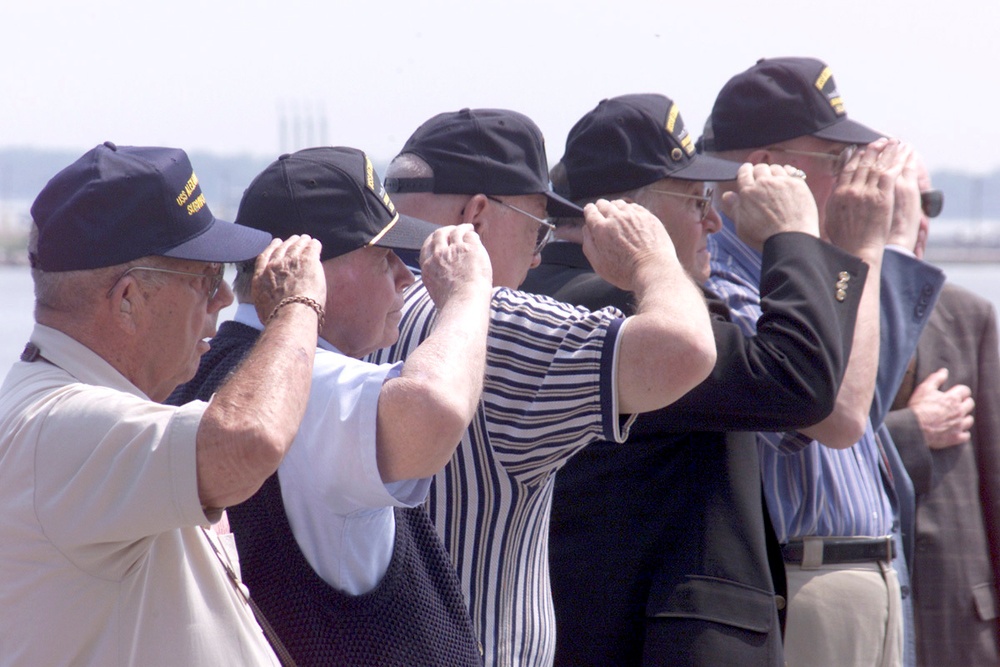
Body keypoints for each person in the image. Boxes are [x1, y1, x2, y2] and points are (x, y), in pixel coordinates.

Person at [519, 92, 872, 666]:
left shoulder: (536, 295)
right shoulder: (622, 308)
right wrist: (795, 236)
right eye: (697, 199)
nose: (714, 219)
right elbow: (799, 381)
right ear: (630, 215)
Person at [374, 107, 718, 666]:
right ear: (477, 215)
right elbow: (686, 348)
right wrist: (652, 261)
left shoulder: (338, 312)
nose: (538, 255)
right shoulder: (498, 323)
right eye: (537, 227)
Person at [0, 142, 327, 665]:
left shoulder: (66, 412)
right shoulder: (58, 426)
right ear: (128, 299)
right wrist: (298, 307)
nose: (224, 297)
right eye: (206, 277)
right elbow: (248, 441)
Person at [169, 146, 493, 666]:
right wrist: (468, 296)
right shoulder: (308, 384)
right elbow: (433, 409)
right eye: (384, 256)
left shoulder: (201, 370)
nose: (406, 277)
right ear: (312, 271)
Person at [703, 57, 945, 667]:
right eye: (836, 161)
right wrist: (863, 247)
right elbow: (839, 417)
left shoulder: (808, 268)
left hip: (867, 574)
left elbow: (865, 400)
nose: (851, 179)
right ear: (764, 166)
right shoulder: (721, 279)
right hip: (805, 579)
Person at [884, 157, 1000, 666]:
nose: (919, 219)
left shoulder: (969, 315)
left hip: (960, 626)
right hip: (862, 624)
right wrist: (911, 431)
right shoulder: (819, 315)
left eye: (928, 203)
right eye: (900, 202)